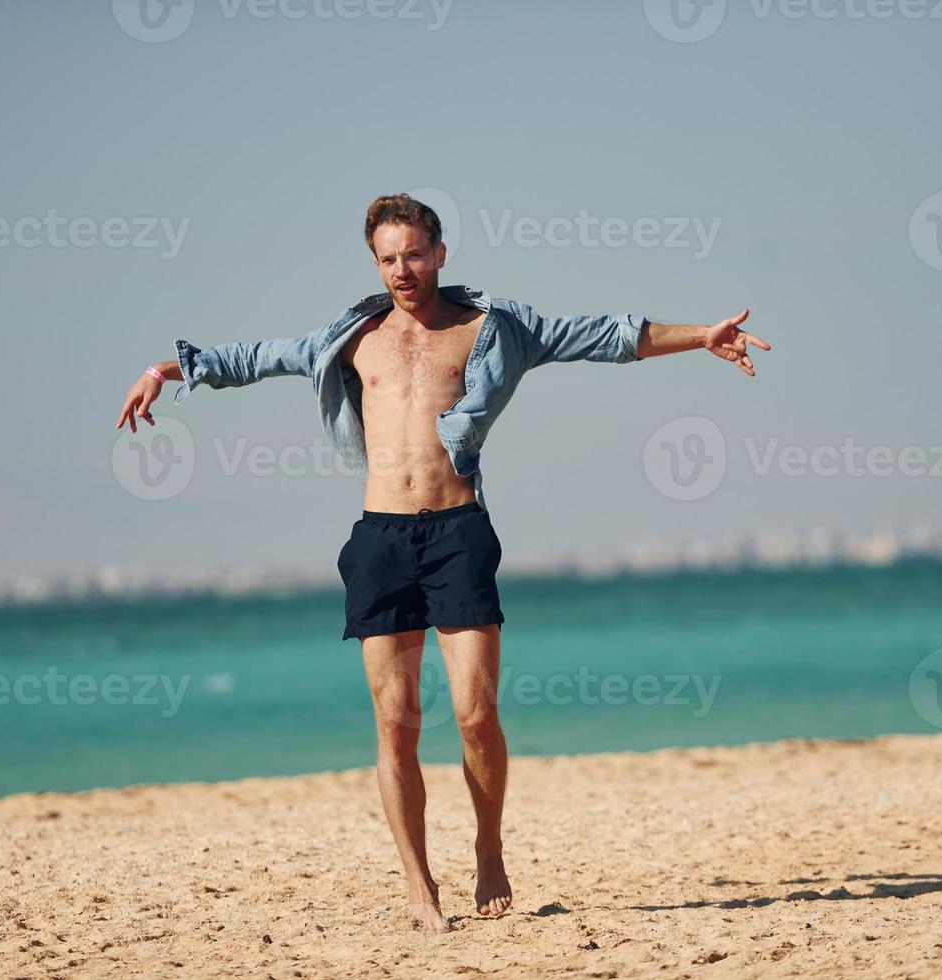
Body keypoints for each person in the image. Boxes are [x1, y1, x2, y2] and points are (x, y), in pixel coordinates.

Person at [114, 193, 770, 932]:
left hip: (458, 531)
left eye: (415, 254)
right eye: (389, 258)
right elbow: (249, 358)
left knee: (475, 714)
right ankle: (419, 884)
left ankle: (488, 848)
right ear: (375, 262)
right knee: (396, 721)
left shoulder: (496, 329)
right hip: (379, 539)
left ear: (441, 253)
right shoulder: (349, 337)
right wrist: (164, 370)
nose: (403, 269)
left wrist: (700, 336)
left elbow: (608, 335)